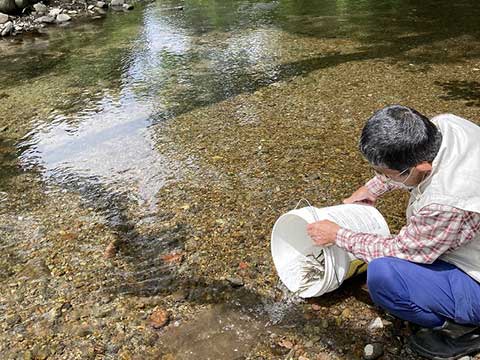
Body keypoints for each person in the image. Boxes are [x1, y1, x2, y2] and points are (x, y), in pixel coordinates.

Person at [306, 105, 480, 360]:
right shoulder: (445, 126)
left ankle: (464, 331)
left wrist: (337, 235)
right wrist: (371, 189)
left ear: (422, 167)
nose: (382, 178)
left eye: (386, 174)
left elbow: (403, 251)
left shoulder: (447, 201)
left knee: (384, 276)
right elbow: (403, 165)